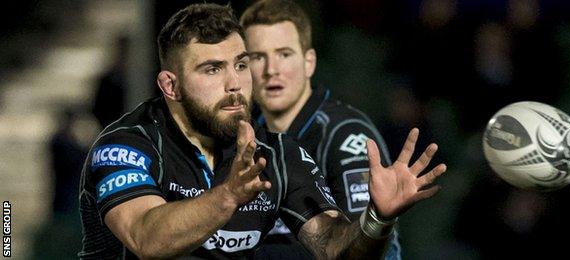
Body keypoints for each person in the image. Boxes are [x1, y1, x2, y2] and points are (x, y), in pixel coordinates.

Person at [78, 3, 446, 259]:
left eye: (240, 64)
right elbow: (146, 238)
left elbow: (335, 249)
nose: (234, 83)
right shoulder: (126, 145)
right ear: (170, 86)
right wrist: (227, 196)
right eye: (211, 69)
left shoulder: (276, 155)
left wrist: (376, 219)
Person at [240, 1, 401, 258]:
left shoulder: (346, 135)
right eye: (258, 57)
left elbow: (363, 252)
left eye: (284, 54)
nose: (272, 70)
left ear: (309, 63)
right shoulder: (244, 135)